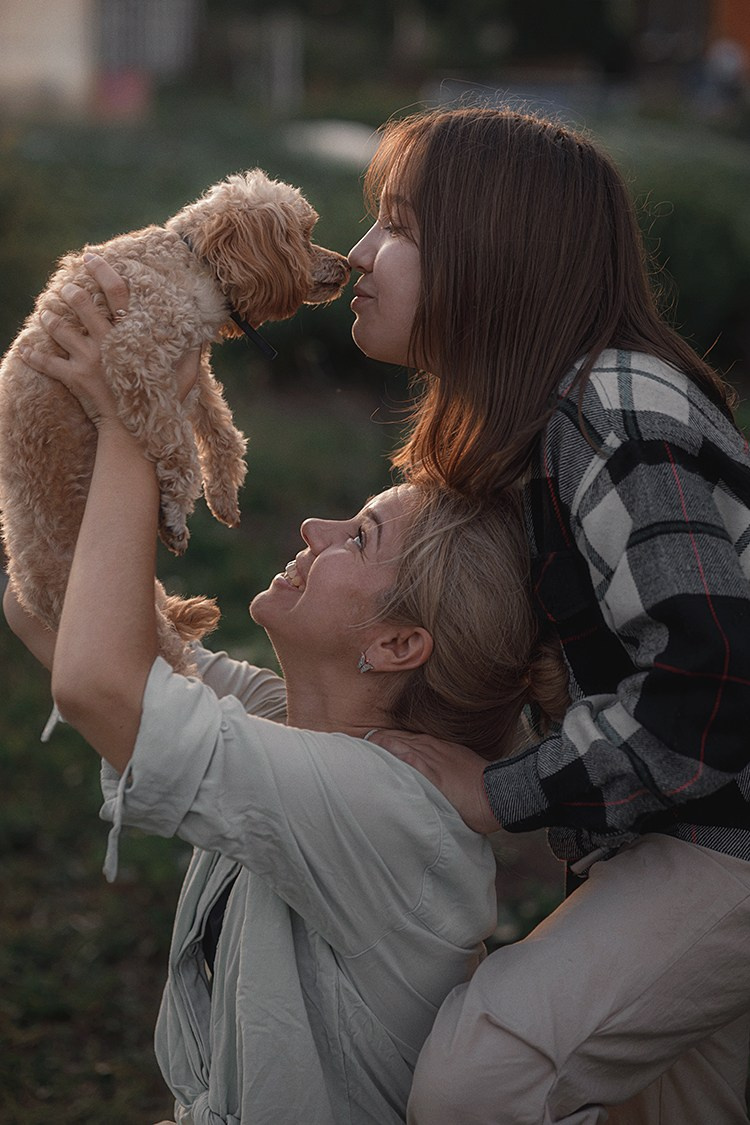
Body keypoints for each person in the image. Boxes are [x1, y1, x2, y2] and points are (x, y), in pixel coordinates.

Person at [2, 257, 569, 1124]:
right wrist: (61, 407)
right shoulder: (290, 719)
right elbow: (48, 612)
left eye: (360, 535)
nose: (315, 528)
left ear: (398, 643)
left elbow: (97, 684)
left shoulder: (391, 809)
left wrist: (133, 426)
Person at [346, 105, 750, 1124]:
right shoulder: (559, 422)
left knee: (480, 1078)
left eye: (399, 228)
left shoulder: (615, 401)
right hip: (680, 839)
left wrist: (502, 792)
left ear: (496, 256)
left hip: (725, 840)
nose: (357, 257)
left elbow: (713, 678)